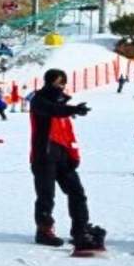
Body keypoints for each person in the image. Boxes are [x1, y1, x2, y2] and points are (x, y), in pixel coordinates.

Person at [28, 68, 104, 250]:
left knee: (77, 192)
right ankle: (44, 230)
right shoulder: (39, 100)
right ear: (48, 82)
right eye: (57, 82)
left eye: (63, 83)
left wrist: (74, 154)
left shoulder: (62, 106)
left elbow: (68, 133)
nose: (60, 86)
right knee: (46, 196)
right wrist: (72, 109)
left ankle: (80, 228)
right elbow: (53, 110)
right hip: (43, 156)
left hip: (63, 155)